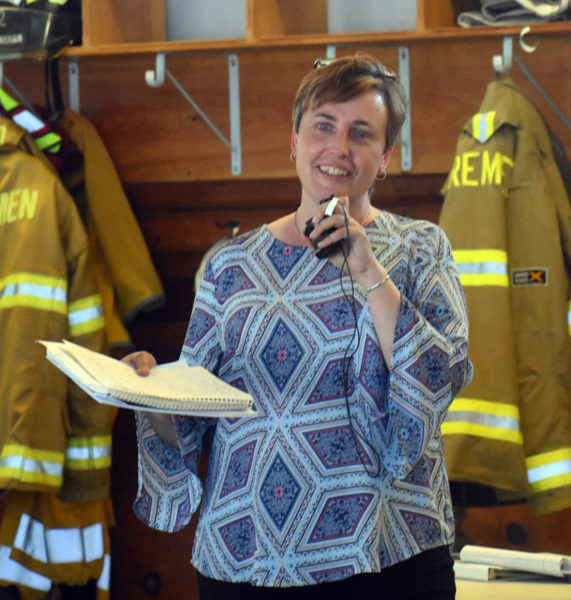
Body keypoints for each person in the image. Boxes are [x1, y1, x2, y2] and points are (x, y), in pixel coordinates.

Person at [124, 53, 472, 600]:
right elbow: (191, 420)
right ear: (294, 141)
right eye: (323, 127)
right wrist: (149, 396)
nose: (339, 148)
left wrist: (366, 266)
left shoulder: (420, 249)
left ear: (385, 157)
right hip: (244, 560)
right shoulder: (230, 265)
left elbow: (435, 383)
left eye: (361, 133)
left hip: (386, 559)